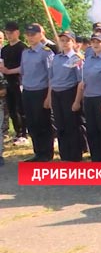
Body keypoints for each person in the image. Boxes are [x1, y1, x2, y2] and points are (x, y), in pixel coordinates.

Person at [19, 23, 55, 161]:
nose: (30, 37)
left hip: (41, 91)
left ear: (41, 35)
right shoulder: (25, 52)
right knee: (32, 123)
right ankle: (38, 152)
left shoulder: (46, 52)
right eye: (28, 34)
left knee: (43, 123)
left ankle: (46, 153)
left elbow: (51, 76)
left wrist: (49, 97)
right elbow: (23, 72)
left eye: (33, 34)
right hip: (28, 91)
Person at [49, 31, 86, 162]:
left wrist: (77, 101)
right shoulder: (56, 58)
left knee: (72, 126)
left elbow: (80, 82)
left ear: (73, 42)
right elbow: (52, 78)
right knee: (60, 125)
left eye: (67, 40)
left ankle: (75, 156)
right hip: (56, 94)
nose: (64, 43)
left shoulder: (76, 58)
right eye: (62, 40)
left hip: (70, 93)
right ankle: (65, 155)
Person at [78, 31, 101, 161]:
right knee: (92, 130)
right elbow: (85, 78)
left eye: (98, 42)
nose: (95, 44)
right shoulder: (87, 60)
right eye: (93, 42)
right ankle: (96, 158)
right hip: (89, 98)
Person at [1, 21, 29, 146]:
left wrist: (9, 71)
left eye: (11, 33)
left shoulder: (22, 47)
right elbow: (2, 62)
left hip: (19, 81)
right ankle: (17, 132)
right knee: (11, 109)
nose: (9, 35)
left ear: (17, 32)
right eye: (7, 33)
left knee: (20, 108)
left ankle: (23, 133)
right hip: (8, 82)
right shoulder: (5, 49)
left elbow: (24, 67)